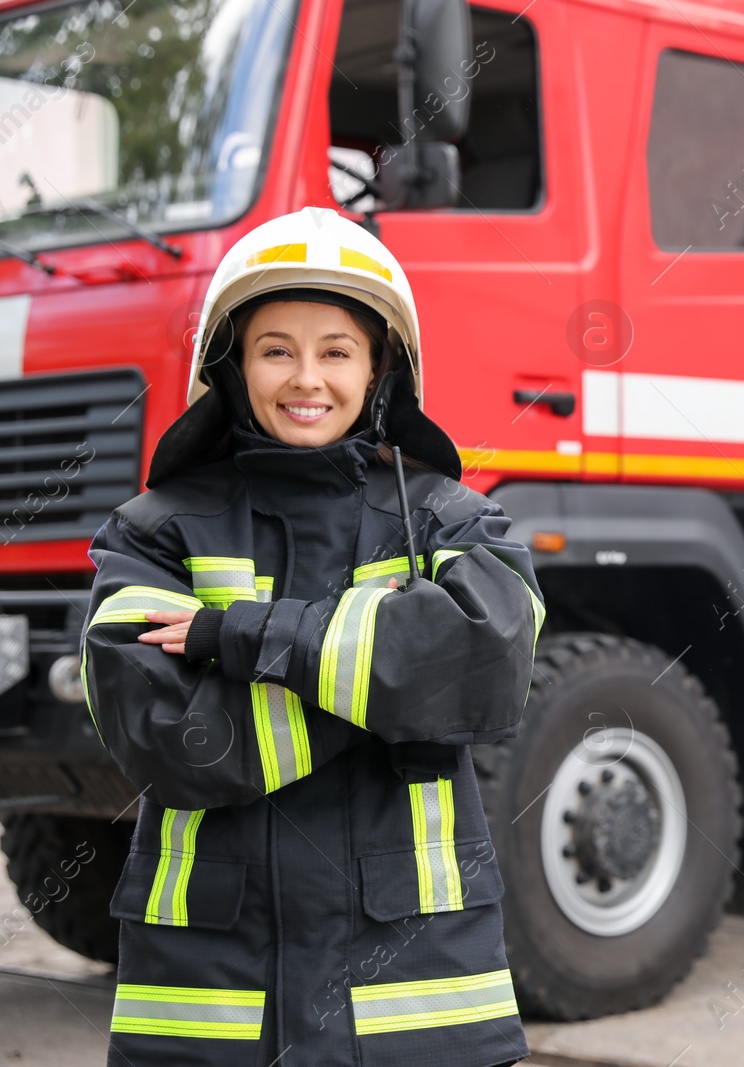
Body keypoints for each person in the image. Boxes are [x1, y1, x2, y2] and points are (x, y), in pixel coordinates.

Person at [81, 207, 541, 1067]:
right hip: (210, 1003)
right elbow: (173, 740)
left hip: (416, 997)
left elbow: (491, 665)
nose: (307, 377)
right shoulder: (153, 532)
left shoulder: (454, 517)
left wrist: (246, 636)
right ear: (233, 365)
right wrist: (393, 687)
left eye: (336, 349)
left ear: (378, 370)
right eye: (275, 348)